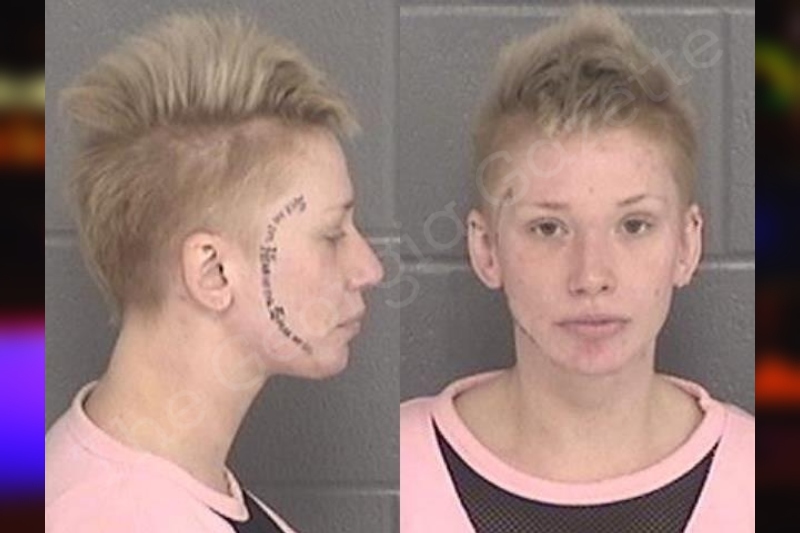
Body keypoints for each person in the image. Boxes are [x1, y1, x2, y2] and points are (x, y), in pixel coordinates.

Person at [400, 6, 754, 532]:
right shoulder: (404, 467)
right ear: (486, 248)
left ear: (687, 244)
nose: (591, 276)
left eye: (634, 225)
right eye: (548, 228)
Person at [45, 12, 383, 533]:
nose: (369, 269)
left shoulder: (169, 492)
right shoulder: (112, 519)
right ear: (214, 272)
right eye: (332, 234)